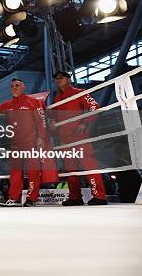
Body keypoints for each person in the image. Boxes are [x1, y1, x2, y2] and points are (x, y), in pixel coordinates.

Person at [0, 78, 51, 207]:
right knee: (15, 173)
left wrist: (41, 138)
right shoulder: (8, 104)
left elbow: (41, 120)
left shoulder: (34, 102)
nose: (14, 88)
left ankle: (31, 199)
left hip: (31, 142)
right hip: (15, 144)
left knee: (33, 171)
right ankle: (14, 198)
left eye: (17, 85)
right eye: (12, 86)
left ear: (23, 87)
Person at [51, 70, 107, 205]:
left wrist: (85, 122)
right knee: (70, 169)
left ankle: (99, 196)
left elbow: (95, 106)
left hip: (80, 136)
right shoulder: (57, 99)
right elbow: (53, 118)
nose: (58, 80)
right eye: (56, 78)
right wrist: (51, 123)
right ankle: (75, 197)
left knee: (90, 165)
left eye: (61, 77)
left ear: (68, 79)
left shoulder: (79, 92)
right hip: (65, 138)